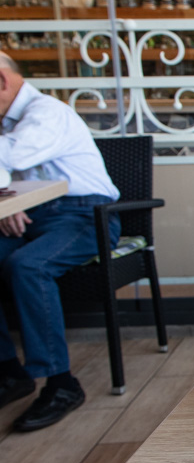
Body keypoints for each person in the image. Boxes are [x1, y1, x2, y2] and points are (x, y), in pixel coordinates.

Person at [0, 51, 120, 430]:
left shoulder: (46, 113)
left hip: (87, 215)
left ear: (2, 81)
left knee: (27, 265)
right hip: (35, 214)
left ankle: (61, 382)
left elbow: (9, 156)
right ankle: (9, 371)